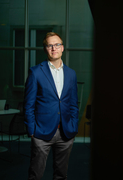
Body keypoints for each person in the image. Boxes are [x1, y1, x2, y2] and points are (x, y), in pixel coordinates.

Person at [24, 32, 79, 180]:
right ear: (45, 49)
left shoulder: (71, 74)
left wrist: (74, 125)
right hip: (41, 133)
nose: (54, 48)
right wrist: (32, 130)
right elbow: (28, 104)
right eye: (50, 45)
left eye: (57, 44)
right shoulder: (35, 72)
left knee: (61, 175)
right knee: (35, 175)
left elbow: (73, 103)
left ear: (62, 48)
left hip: (66, 133)